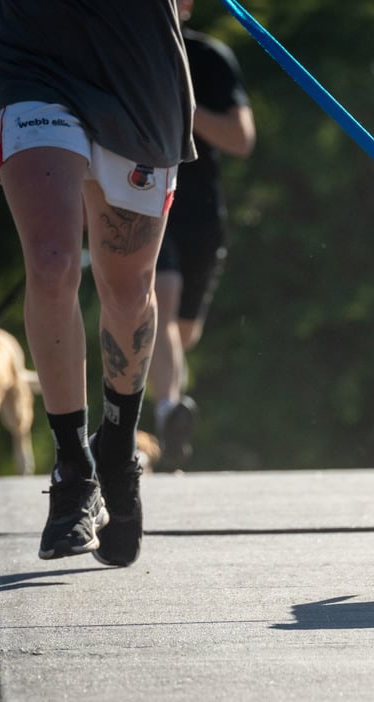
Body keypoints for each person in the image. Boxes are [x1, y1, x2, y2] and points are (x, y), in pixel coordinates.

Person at [0, 0, 195, 567]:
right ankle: (73, 470)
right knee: (52, 260)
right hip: (29, 63)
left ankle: (117, 448)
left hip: (136, 71)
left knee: (128, 287)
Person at [151, 0, 255, 469]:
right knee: (159, 299)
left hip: (200, 214)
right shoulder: (118, 54)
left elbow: (240, 139)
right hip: (142, 200)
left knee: (180, 332)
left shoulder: (209, 57)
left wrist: (182, 102)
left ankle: (171, 415)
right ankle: (167, 412)